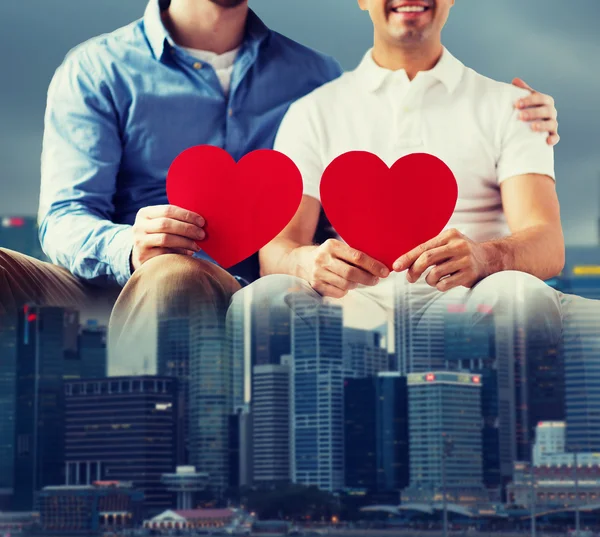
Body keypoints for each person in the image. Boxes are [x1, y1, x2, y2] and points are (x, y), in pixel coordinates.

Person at [0, 0, 560, 367]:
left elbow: (362, 191)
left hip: (232, 288)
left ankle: (128, 460)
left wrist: (523, 116)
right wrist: (127, 245)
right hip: (103, 280)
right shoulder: (96, 68)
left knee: (173, 274)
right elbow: (65, 218)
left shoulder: (315, 80)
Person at [242, 0, 588, 367]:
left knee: (522, 297)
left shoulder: (514, 107)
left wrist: (486, 256)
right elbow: (277, 249)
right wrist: (308, 261)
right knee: (262, 301)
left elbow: (547, 242)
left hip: (473, 301)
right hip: (349, 306)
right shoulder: (312, 113)